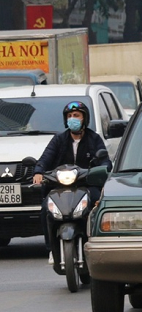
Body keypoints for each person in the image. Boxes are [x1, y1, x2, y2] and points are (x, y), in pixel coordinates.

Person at [32, 101, 111, 262]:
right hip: (60, 185)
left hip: (86, 184)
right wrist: (39, 172)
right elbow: (46, 157)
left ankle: (95, 240)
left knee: (97, 203)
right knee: (45, 208)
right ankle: (51, 248)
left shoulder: (93, 138)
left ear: (84, 119)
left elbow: (105, 162)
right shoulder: (59, 139)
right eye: (69, 116)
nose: (72, 119)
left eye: (76, 115)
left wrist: (101, 171)